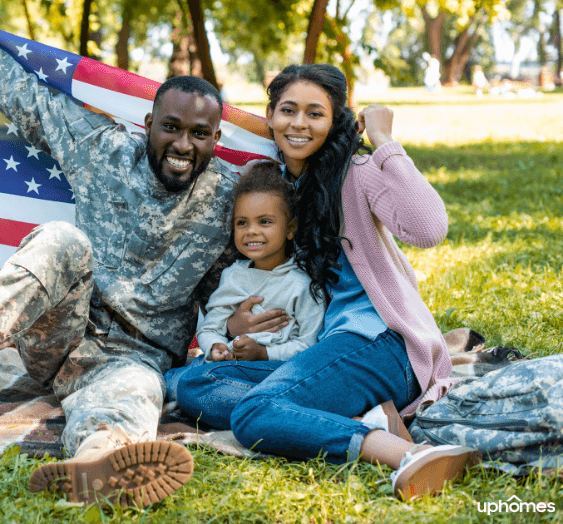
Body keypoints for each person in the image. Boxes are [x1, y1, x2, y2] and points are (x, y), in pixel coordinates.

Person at [0, 0, 288, 508]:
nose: (183, 144)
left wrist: (235, 325)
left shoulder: (232, 201)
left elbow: (258, 259)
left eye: (199, 134)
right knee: (62, 240)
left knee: (132, 400)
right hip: (59, 332)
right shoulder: (103, 150)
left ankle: (99, 463)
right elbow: (27, 97)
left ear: (215, 139)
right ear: (148, 123)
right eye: (171, 127)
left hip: (134, 356)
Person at [172, 64, 481, 501]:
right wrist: (236, 329)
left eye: (315, 113)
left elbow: (428, 228)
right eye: (287, 111)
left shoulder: (356, 172)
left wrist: (386, 142)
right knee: (194, 384)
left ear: (335, 120)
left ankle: (404, 454)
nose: (299, 124)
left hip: (379, 342)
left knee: (253, 413)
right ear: (271, 115)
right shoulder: (279, 184)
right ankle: (370, 417)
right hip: (319, 346)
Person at [193, 161, 324, 364]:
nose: (251, 231)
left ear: (290, 228)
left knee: (194, 384)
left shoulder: (301, 284)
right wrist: (215, 346)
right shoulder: (233, 275)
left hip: (276, 371)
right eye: (242, 222)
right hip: (230, 365)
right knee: (185, 381)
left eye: (265, 221)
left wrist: (263, 353)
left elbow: (310, 344)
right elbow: (210, 327)